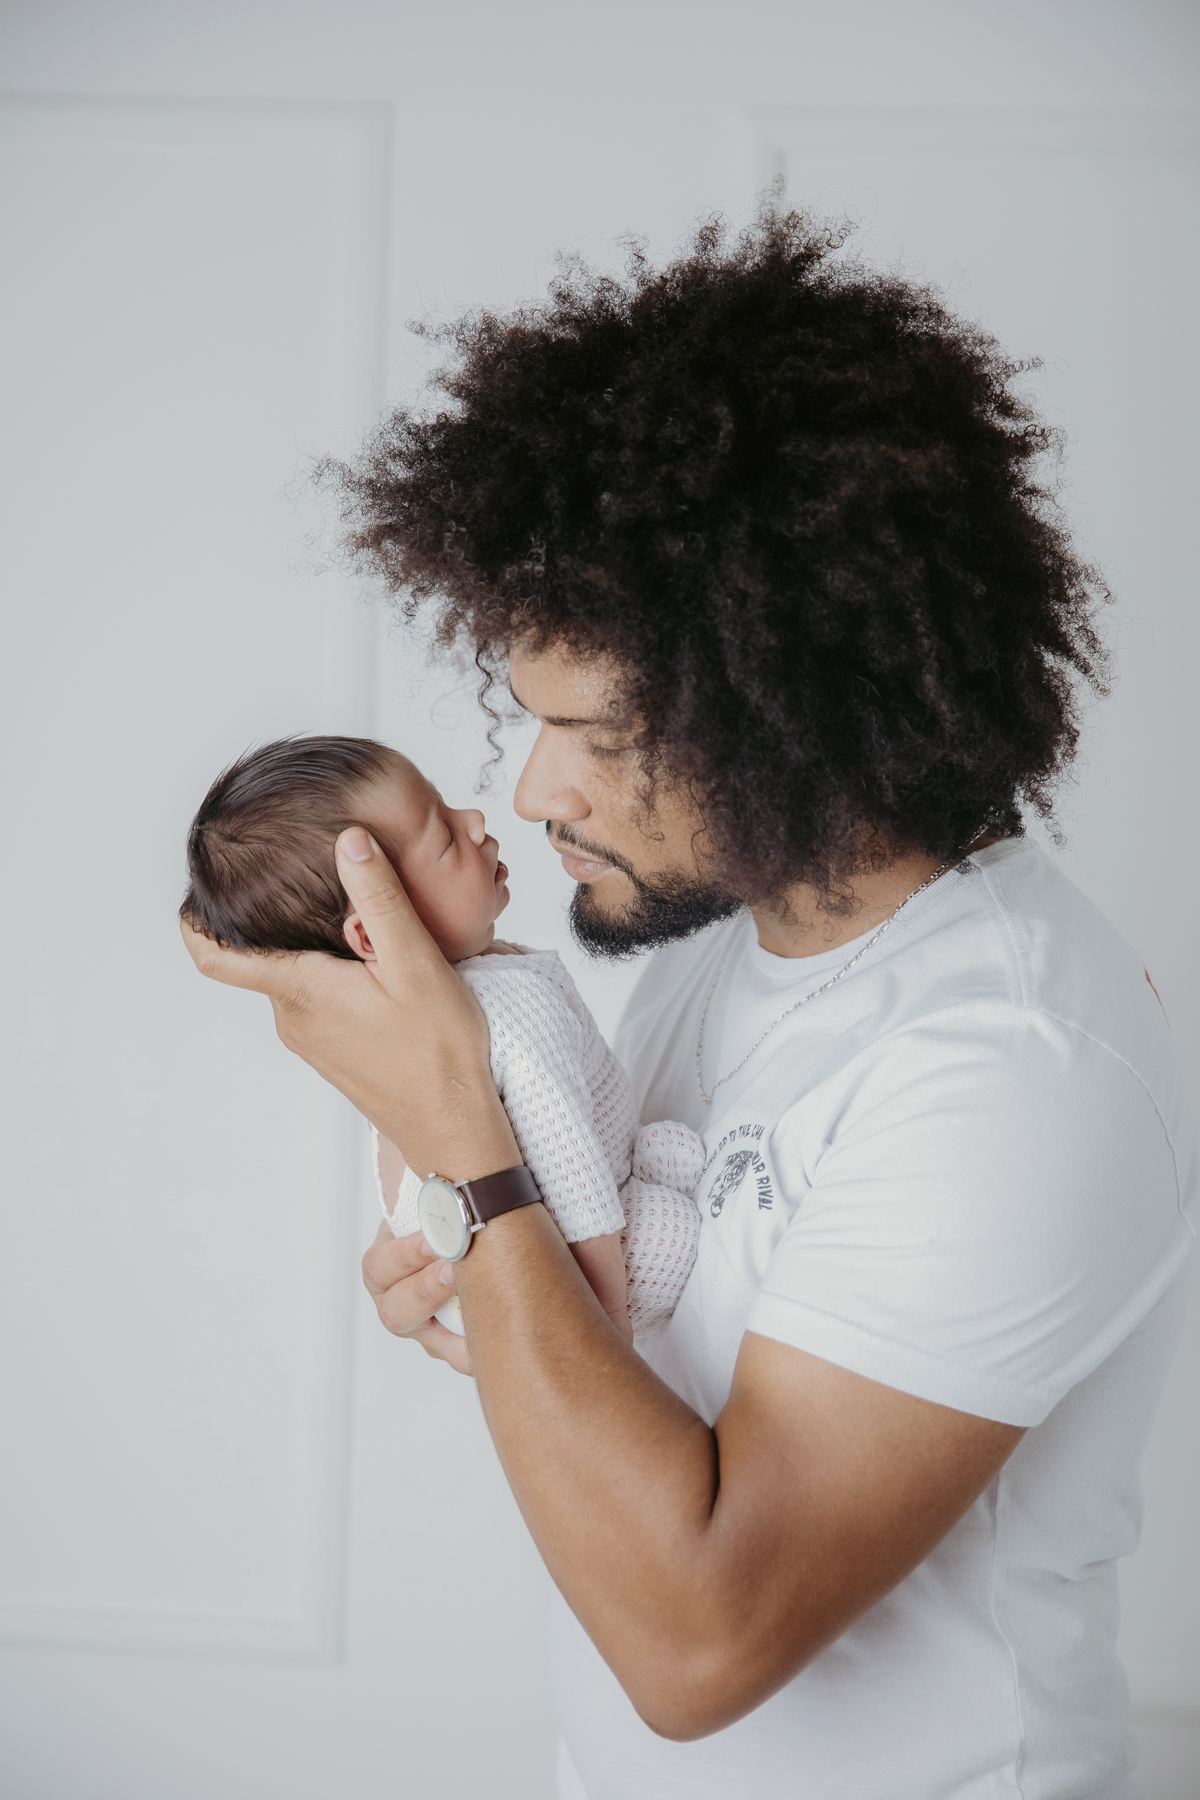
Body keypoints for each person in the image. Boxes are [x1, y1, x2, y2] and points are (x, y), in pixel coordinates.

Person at [182, 207, 1195, 1799]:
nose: (530, 791)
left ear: (791, 704)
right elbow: (629, 1336)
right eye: (530, 720)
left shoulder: (1011, 1064)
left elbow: (697, 1646)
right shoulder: (725, 947)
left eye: (596, 734)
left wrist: (468, 1144)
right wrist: (475, 1257)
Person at [179, 733, 704, 1338]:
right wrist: (603, 1332)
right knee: (675, 1229)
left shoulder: (391, 1032)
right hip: (575, 1271)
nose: (477, 821)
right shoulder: (510, 1010)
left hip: (470, 1275)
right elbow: (574, 1178)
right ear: (376, 931)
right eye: (447, 837)